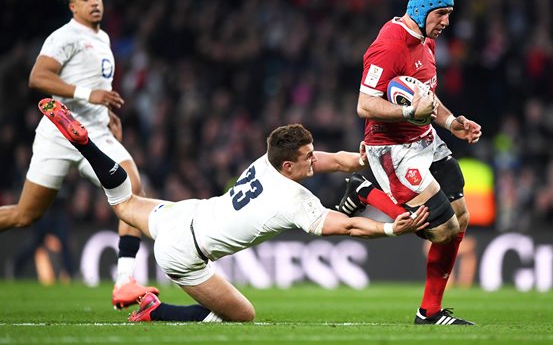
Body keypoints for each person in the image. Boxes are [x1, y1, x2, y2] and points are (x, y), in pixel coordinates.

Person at [37, 97, 430, 322]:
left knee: (122, 202)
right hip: (184, 253)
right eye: (308, 157)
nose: (316, 161)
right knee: (242, 316)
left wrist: (364, 160)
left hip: (186, 214)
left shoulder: (269, 161)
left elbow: (337, 161)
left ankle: (86, 146)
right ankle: (155, 312)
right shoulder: (294, 200)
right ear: (288, 166)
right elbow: (346, 227)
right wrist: (392, 229)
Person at [0, 0, 158, 309]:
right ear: (73, 7)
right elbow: (38, 77)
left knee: (133, 188)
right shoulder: (65, 36)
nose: (94, 3)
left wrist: (107, 112)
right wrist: (91, 95)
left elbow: (95, 87)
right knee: (25, 215)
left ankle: (124, 282)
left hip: (96, 132)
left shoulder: (102, 39)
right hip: (59, 133)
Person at [339, 0, 482, 325]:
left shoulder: (426, 41)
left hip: (425, 139)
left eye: (449, 14)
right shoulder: (389, 45)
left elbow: (427, 97)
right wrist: (406, 113)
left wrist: (451, 123)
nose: (447, 21)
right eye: (442, 14)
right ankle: (365, 190)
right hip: (393, 150)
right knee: (443, 230)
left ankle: (429, 312)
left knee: (461, 217)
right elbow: (364, 104)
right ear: (421, 11)